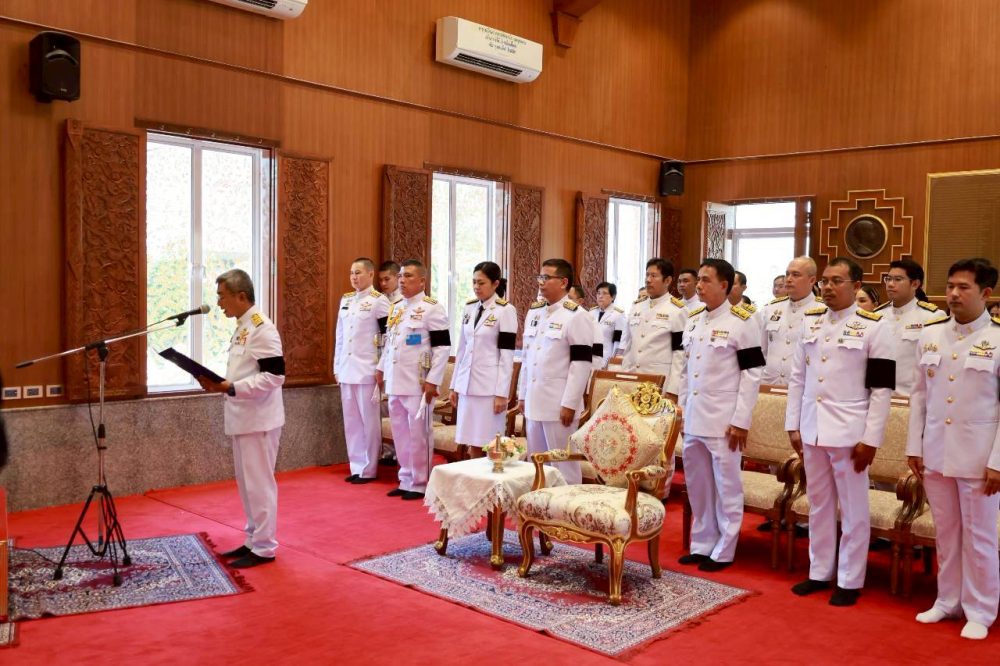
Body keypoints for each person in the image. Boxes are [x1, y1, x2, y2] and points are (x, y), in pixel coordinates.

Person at [785, 256, 895, 606]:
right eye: (825, 281)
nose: (828, 287)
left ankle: (849, 578)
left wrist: (871, 439)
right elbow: (798, 378)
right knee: (819, 503)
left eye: (837, 281)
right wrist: (793, 424)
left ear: (857, 285)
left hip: (850, 431)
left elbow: (881, 390)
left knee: (853, 507)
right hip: (813, 427)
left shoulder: (874, 326)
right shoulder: (811, 320)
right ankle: (819, 571)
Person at [907, 258, 1000, 641]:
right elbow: (919, 396)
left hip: (979, 456)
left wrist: (998, 462)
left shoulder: (996, 339)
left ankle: (980, 609)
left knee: (979, 536)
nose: (954, 294)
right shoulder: (931, 335)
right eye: (950, 286)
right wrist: (914, 446)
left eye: (963, 287)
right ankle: (947, 600)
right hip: (936, 451)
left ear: (986, 293)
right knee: (946, 532)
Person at [677, 258, 765, 572]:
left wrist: (741, 420)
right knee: (698, 485)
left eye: (706, 280)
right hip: (695, 417)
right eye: (698, 279)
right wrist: (682, 410)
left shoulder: (742, 321)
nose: (698, 286)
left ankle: (725, 549)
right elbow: (686, 371)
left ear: (724, 285)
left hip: (724, 420)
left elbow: (752, 375)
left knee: (727, 486)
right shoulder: (693, 319)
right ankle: (702, 544)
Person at [198, 269, 285, 569]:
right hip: (244, 417)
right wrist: (220, 384)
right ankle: (253, 539)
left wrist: (232, 387)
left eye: (222, 296)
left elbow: (275, 376)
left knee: (259, 484)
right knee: (247, 484)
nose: (219, 303)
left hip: (259, 420)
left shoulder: (262, 328)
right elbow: (245, 369)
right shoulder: (243, 326)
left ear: (241, 296)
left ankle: (264, 547)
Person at [376, 259, 450, 500]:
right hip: (396, 381)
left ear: (422, 281)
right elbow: (390, 344)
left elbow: (442, 348)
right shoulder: (396, 308)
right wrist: (380, 369)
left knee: (419, 434)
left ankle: (420, 482)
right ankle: (405, 477)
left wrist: (433, 380)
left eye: (408, 276)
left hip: (418, 383)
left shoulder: (432, 308)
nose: (402, 280)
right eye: (400, 276)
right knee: (400, 433)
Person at [517, 258, 593, 485]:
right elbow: (527, 359)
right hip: (534, 400)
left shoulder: (577, 315)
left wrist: (570, 403)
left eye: (547, 277)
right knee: (537, 463)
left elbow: (581, 364)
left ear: (563, 282)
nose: (541, 282)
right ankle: (540, 504)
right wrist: (522, 394)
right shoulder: (535, 312)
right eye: (540, 277)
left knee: (563, 464)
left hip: (559, 404)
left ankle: (568, 506)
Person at [449, 262, 518, 460]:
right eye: (474, 282)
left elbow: (507, 356)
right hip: (467, 385)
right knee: (471, 441)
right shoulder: (469, 308)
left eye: (481, 283)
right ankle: (474, 477)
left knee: (489, 442)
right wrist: (454, 385)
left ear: (495, 284)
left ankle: (493, 477)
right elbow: (462, 349)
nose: (476, 287)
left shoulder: (505, 310)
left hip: (489, 388)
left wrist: (502, 394)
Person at [335, 257, 390, 484]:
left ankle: (369, 468)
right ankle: (356, 465)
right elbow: (340, 337)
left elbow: (388, 338)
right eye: (351, 273)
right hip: (347, 369)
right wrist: (336, 366)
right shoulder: (346, 300)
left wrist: (381, 367)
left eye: (358, 272)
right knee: (352, 422)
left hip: (367, 369)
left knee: (369, 422)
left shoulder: (379, 301)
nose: (354, 277)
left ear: (370, 274)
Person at [619, 258, 687, 399]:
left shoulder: (677, 310)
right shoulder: (637, 306)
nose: (648, 280)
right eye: (647, 275)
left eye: (654, 276)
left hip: (659, 383)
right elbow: (629, 346)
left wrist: (673, 389)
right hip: (632, 380)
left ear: (667, 280)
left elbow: (680, 353)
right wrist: (624, 377)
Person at [876, 259, 941, 396]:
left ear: (915, 284)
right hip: (879, 397)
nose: (890, 284)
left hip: (911, 398)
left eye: (898, 279)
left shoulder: (931, 317)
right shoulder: (877, 315)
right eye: (888, 279)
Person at [762, 256, 821, 386]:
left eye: (795, 275)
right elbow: (762, 349)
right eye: (787, 274)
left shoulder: (824, 310)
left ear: (812, 280)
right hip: (768, 385)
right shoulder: (770, 309)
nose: (788, 279)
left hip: (804, 387)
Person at [590, 281, 627, 367]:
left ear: (613, 297)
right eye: (598, 293)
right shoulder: (591, 312)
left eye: (604, 293)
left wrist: (613, 361)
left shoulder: (618, 314)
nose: (600, 296)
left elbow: (618, 341)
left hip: (607, 357)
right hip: (591, 357)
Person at [570, 284, 605, 369]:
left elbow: (596, 352)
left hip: (579, 370)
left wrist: (591, 373)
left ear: (580, 301)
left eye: (569, 298)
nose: (565, 301)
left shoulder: (588, 318)